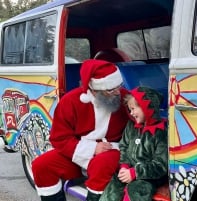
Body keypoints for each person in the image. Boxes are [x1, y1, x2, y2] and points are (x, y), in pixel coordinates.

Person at [31, 59, 130, 201]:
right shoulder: (70, 101)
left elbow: (143, 115)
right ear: (94, 90)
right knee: (41, 165)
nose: (117, 93)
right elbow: (59, 138)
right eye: (111, 90)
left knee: (100, 165)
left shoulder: (124, 97)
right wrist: (92, 148)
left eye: (118, 87)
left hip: (114, 149)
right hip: (79, 152)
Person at [100, 86, 168, 201]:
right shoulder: (131, 126)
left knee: (137, 191)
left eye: (133, 109)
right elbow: (124, 146)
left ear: (146, 108)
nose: (131, 113)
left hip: (148, 178)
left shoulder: (160, 131)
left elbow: (161, 165)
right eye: (129, 109)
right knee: (112, 188)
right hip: (128, 171)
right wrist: (124, 166)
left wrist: (135, 172)